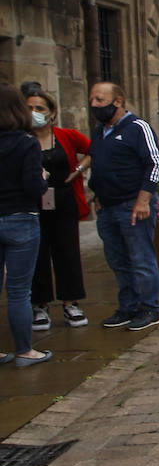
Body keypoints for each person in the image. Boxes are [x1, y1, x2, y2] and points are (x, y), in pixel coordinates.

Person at [87, 81, 159, 332]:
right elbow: (99, 163)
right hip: (108, 207)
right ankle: (128, 306)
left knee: (141, 258)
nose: (94, 105)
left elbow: (155, 164)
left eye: (99, 100)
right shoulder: (99, 131)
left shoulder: (137, 128)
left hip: (132, 204)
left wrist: (143, 200)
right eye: (92, 100)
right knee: (117, 259)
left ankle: (150, 308)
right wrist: (97, 194)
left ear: (117, 101)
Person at [25, 87, 92, 330]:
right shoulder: (22, 138)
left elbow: (91, 150)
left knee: (68, 252)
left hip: (63, 200)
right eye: (29, 108)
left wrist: (79, 170)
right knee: (37, 253)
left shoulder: (66, 135)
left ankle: (70, 302)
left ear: (51, 112)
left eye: (39, 108)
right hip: (33, 203)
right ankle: (39, 305)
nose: (34, 113)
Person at [0, 83, 51, 368]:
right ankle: (24, 351)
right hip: (21, 219)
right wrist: (42, 177)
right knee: (19, 290)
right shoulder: (25, 142)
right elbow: (34, 187)